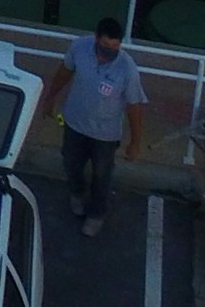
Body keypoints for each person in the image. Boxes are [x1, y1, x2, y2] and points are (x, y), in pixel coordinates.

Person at [43, 17, 150, 235]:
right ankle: (77, 194)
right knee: (70, 162)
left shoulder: (127, 68)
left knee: (102, 175)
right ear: (95, 38)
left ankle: (96, 214)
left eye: (115, 46)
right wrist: (50, 97)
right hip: (73, 122)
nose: (109, 50)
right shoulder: (79, 47)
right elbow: (65, 71)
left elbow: (134, 106)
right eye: (105, 45)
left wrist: (135, 142)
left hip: (105, 135)